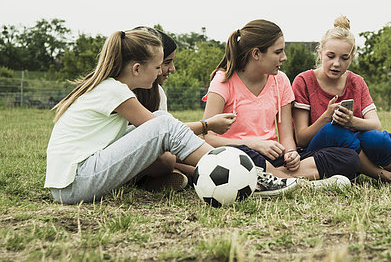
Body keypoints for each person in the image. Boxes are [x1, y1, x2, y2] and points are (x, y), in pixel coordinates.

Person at [44, 29, 291, 204]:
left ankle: (224, 172)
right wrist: (206, 125)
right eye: (157, 67)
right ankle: (247, 176)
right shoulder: (114, 90)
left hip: (72, 183)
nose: (162, 71)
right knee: (162, 124)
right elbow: (162, 129)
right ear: (137, 69)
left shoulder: (110, 88)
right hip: (75, 183)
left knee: (152, 130)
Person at [202, 19, 360, 188]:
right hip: (239, 155)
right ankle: (298, 183)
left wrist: (291, 153)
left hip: (273, 156)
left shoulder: (281, 80)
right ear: (256, 54)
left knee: (349, 158)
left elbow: (286, 136)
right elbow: (207, 137)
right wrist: (254, 144)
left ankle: (272, 179)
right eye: (278, 52)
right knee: (246, 156)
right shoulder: (223, 81)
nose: (284, 58)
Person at [291, 16, 391, 188]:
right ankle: (388, 177)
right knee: (335, 131)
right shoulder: (304, 81)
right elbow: (301, 139)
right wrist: (326, 117)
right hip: (318, 149)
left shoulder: (357, 82)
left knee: (379, 138)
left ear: (352, 57)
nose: (336, 64)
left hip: (351, 147)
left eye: (344, 58)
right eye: (330, 56)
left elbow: (375, 124)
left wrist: (352, 121)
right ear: (320, 53)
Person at [131, 27, 236, 192]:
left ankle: (170, 176)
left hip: (147, 156)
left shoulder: (157, 93)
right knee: (167, 159)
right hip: (124, 159)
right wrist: (206, 125)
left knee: (171, 156)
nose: (172, 69)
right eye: (166, 63)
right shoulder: (122, 94)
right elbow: (163, 131)